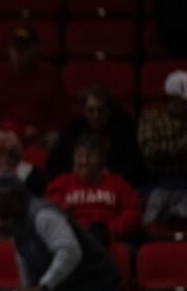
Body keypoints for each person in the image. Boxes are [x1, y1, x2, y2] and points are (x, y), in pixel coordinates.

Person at [46, 134, 140, 244]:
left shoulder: (118, 184)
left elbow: (134, 213)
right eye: (79, 156)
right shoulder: (60, 184)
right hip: (73, 242)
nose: (84, 162)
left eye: (90, 156)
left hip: (110, 241)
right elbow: (52, 212)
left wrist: (110, 230)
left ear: (101, 159)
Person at [0, 27, 62, 141]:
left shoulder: (50, 77)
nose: (18, 54)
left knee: (54, 139)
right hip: (1, 138)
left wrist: (41, 130)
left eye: (23, 49)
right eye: (15, 49)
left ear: (35, 49)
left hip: (37, 139)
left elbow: (61, 119)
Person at [47, 83, 146, 184]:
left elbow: (135, 167)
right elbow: (54, 165)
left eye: (101, 111)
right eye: (91, 111)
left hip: (114, 183)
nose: (96, 116)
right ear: (84, 110)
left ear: (109, 111)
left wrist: (110, 174)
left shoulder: (124, 129)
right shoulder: (74, 130)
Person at [138, 70, 187, 230]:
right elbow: (151, 151)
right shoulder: (151, 119)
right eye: (182, 101)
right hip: (159, 182)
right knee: (149, 223)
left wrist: (171, 148)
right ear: (170, 99)